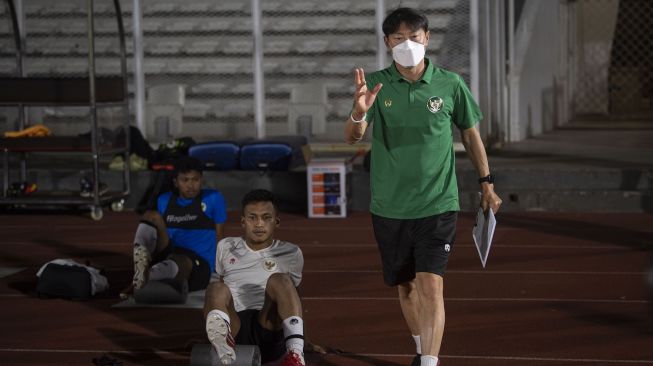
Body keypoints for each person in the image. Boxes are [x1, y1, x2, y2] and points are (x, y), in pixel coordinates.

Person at [344, 7, 503, 366]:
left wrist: (486, 183)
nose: (407, 44)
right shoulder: (375, 84)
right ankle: (421, 349)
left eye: (414, 37)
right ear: (387, 42)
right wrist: (358, 113)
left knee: (431, 283)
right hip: (389, 205)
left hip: (438, 203)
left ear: (427, 38)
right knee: (407, 286)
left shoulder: (450, 83)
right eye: (398, 38)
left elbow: (470, 132)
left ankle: (430, 362)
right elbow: (353, 137)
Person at [202, 189, 307, 366]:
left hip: (268, 324)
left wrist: (302, 338)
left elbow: (293, 297)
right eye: (252, 217)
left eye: (266, 217)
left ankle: (296, 353)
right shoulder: (225, 246)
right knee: (215, 288)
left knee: (280, 279)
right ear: (243, 221)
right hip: (235, 326)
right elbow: (219, 294)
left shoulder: (292, 252)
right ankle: (221, 343)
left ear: (277, 222)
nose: (259, 224)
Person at [120, 156, 226, 298]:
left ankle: (144, 278)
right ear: (176, 182)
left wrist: (220, 270)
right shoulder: (164, 200)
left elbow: (220, 236)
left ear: (202, 179)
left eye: (195, 180)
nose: (191, 185)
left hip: (199, 263)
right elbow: (161, 238)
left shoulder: (213, 198)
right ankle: (141, 268)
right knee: (151, 215)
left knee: (180, 261)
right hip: (171, 252)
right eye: (185, 180)